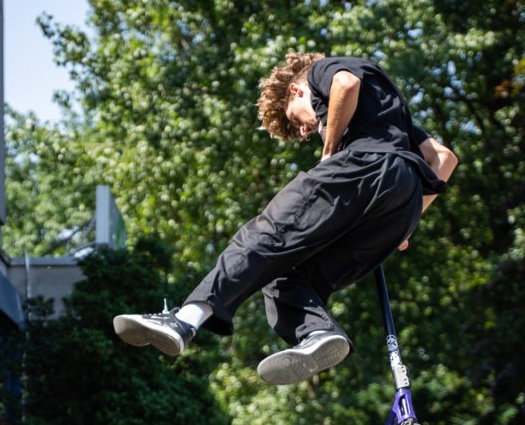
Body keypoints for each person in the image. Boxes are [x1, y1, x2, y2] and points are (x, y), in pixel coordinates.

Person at [113, 53, 458, 384]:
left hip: (362, 167)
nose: (307, 131)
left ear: (296, 90)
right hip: (402, 198)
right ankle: (316, 331)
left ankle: (186, 319)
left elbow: (346, 85)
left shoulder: (320, 71)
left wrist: (329, 152)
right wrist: (409, 220)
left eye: (296, 121)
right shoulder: (394, 113)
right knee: (286, 275)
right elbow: (442, 157)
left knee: (265, 235)